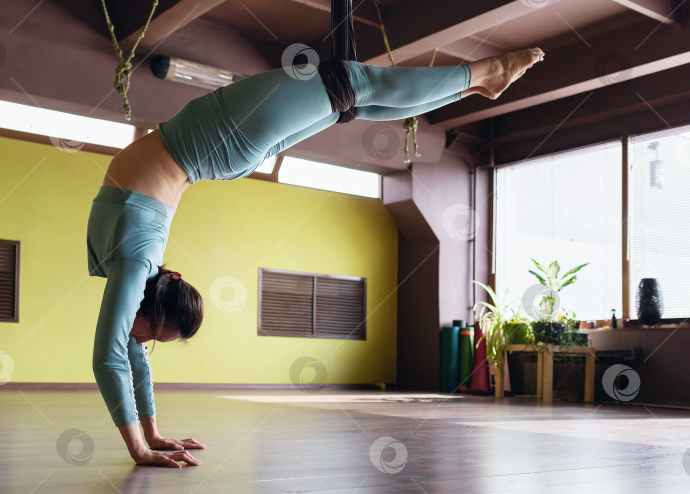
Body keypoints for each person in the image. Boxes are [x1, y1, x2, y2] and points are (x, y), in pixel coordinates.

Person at [86, 48, 545, 467]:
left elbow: (111, 359)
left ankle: (480, 79)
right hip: (217, 145)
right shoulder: (135, 274)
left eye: (148, 336)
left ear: (151, 309)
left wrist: (143, 445)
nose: (140, 343)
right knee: (354, 87)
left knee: (354, 95)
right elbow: (130, 358)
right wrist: (148, 437)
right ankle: (484, 74)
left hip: (220, 140)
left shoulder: (133, 265)